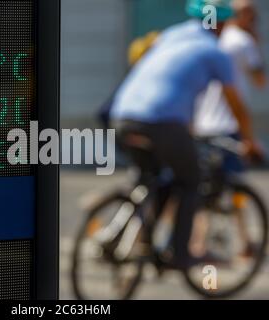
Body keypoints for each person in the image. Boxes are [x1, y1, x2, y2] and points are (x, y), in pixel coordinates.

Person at [109, 0, 263, 269]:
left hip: (122, 114)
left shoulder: (171, 35)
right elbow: (237, 106)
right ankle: (179, 253)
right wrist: (250, 142)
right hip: (162, 123)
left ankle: (137, 242)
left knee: (154, 178)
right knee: (191, 181)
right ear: (223, 23)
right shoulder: (215, 52)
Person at [193, 0, 266, 257]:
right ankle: (244, 242)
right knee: (234, 186)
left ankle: (198, 243)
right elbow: (260, 81)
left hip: (202, 123)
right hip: (227, 123)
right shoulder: (243, 42)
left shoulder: (211, 40)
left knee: (201, 185)